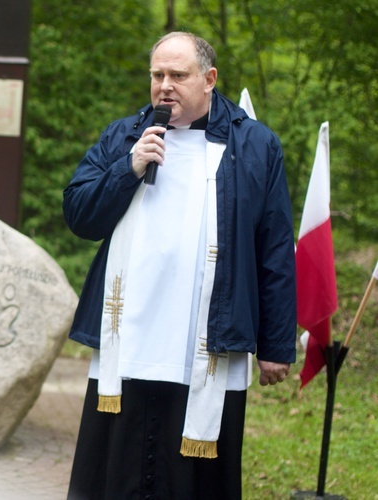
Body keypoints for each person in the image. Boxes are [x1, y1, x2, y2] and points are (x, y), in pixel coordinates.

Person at [63, 32, 296, 499]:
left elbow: (274, 247)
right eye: (157, 75)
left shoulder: (254, 145)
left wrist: (276, 343)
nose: (164, 86)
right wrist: (126, 168)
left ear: (209, 79)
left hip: (207, 338)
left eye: (178, 75)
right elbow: (79, 215)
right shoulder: (124, 136)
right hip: (129, 338)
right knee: (116, 472)